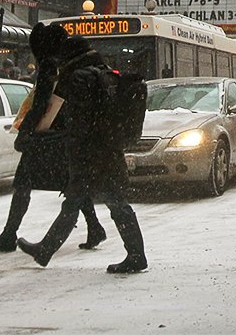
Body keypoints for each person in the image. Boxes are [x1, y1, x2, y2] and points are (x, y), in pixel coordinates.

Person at [17, 25, 148, 274]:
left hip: (89, 153)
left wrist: (72, 149)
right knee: (101, 202)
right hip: (108, 149)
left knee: (103, 202)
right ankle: (46, 250)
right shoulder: (104, 73)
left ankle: (136, 255)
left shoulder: (78, 78)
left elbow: (80, 122)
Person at [0, 24, 106, 254]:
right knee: (70, 182)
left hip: (45, 134)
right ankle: (94, 226)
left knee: (24, 183)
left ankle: (9, 234)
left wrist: (25, 132)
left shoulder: (51, 63)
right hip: (66, 132)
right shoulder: (71, 62)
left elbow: (40, 104)